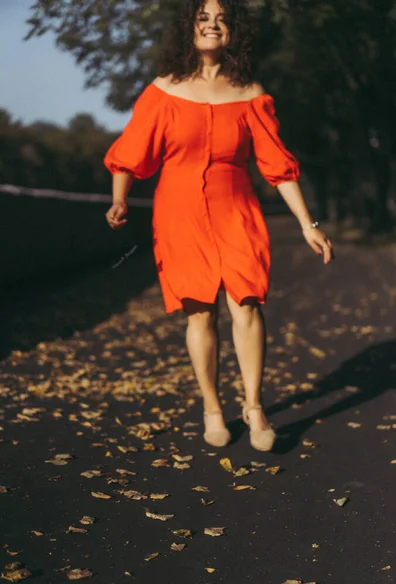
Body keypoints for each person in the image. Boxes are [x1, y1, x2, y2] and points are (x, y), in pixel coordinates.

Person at [104, 0, 334, 451]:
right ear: (189, 28)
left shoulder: (249, 92)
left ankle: (253, 407)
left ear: (233, 31)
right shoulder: (164, 90)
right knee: (200, 310)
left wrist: (308, 223)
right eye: (203, 18)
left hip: (237, 206)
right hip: (179, 209)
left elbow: (277, 166)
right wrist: (119, 198)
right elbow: (131, 151)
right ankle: (212, 407)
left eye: (221, 18)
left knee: (247, 302)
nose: (212, 25)